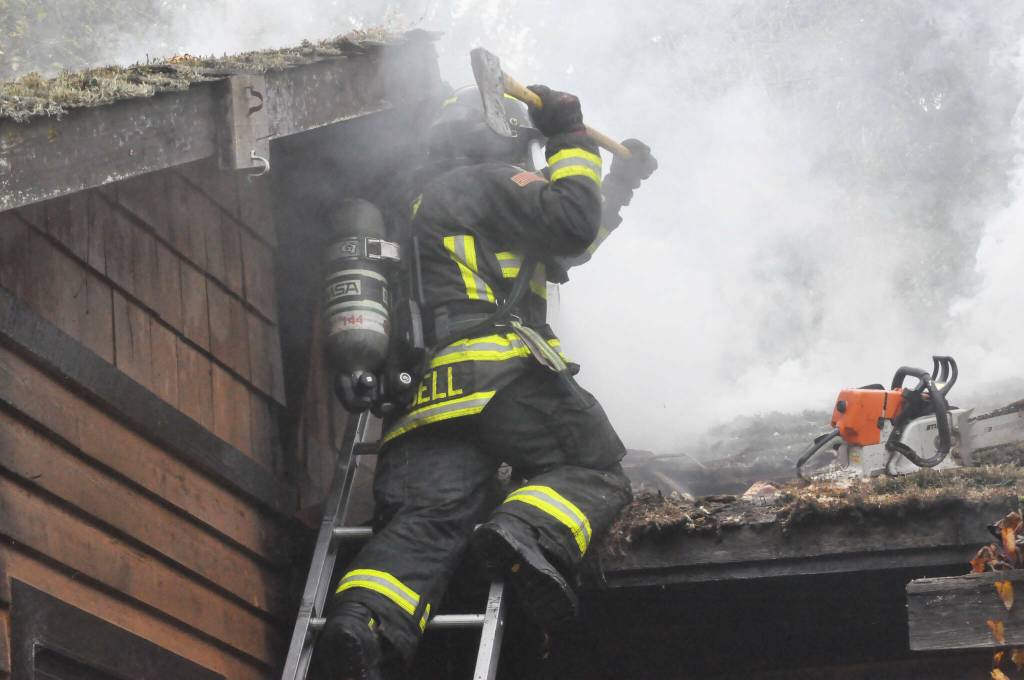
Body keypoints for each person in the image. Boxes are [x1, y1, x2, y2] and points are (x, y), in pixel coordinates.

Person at [314, 83, 658, 680]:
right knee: (593, 468)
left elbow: (562, 250)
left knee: (426, 525)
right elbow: (572, 224)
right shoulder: (484, 182)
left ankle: (360, 627)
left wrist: (620, 184)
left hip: (424, 402)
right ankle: (524, 533)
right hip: (498, 375)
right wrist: (570, 139)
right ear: (497, 139)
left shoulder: (422, 207)